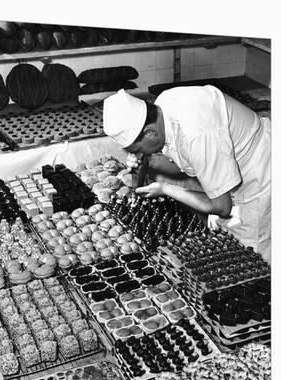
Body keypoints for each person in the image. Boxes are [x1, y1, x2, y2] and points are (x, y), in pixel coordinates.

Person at [103, 87, 271, 263]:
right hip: (228, 168)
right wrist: (137, 174)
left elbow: (222, 206)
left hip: (258, 173)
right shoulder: (161, 109)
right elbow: (180, 157)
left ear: (150, 133)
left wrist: (165, 188)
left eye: (138, 150)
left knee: (248, 255)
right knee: (222, 239)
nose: (138, 156)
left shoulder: (197, 135)